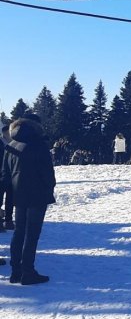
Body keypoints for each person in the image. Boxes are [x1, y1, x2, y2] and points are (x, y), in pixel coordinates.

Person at [1, 113, 55, 285]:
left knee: (19, 233)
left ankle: (15, 271)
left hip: (18, 196)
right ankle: (28, 272)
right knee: (32, 235)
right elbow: (48, 173)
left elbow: (5, 175)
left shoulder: (11, 145)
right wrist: (49, 188)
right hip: (37, 195)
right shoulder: (39, 145)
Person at [1, 124, 14, 230]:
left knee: (10, 199)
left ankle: (8, 219)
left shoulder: (14, 144)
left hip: (12, 176)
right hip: (1, 176)